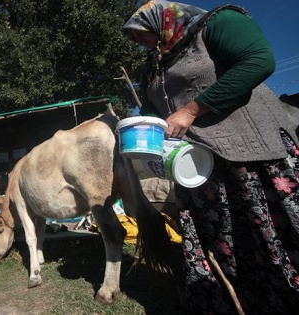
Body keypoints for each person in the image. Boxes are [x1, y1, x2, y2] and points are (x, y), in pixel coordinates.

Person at [122, 1, 299, 313]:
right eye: (135, 39)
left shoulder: (215, 23)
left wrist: (191, 110)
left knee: (274, 236)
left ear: (160, 20)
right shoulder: (153, 65)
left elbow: (258, 61)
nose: (140, 43)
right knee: (224, 244)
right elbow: (153, 114)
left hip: (251, 156)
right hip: (197, 167)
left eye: (141, 34)